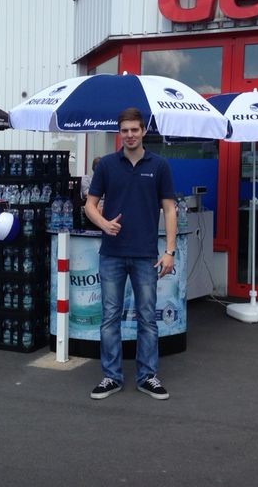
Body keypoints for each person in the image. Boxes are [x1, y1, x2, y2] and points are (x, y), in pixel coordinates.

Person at [83, 107, 177, 400]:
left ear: (143, 131)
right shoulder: (107, 165)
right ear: (119, 133)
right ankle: (111, 377)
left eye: (135, 129)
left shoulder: (159, 165)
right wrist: (103, 223)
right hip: (111, 254)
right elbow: (89, 204)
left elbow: (170, 208)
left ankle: (148, 376)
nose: (130, 135)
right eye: (124, 130)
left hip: (146, 255)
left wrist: (170, 251)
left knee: (147, 318)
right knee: (109, 317)